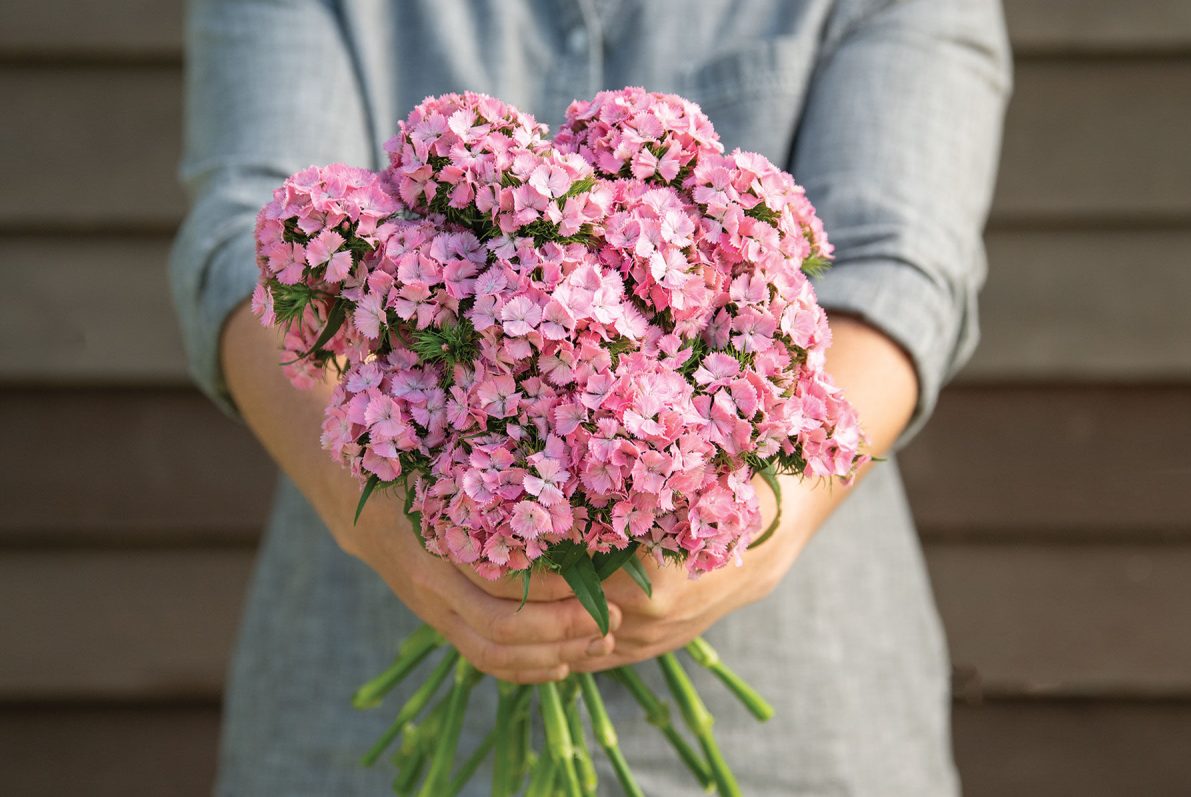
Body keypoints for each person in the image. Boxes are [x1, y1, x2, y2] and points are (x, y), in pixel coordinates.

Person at [170, 1, 1010, 793]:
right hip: (356, 699)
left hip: (794, 733)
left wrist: (747, 516)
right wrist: (394, 518)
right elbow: (244, 237)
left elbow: (903, 264)